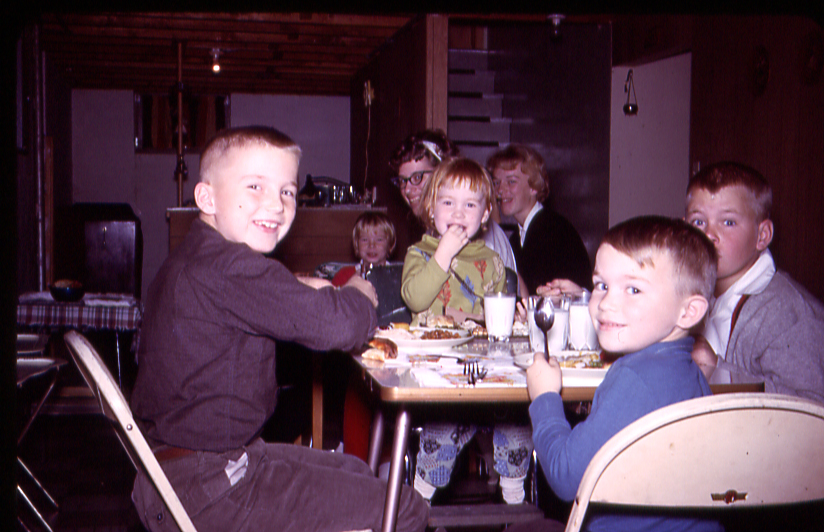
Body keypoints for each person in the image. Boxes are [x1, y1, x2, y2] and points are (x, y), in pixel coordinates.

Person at [129, 126, 428, 532]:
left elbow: (245, 295)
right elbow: (339, 326)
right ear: (207, 196)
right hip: (212, 489)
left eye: (287, 191)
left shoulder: (199, 255)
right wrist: (359, 290)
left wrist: (300, 286)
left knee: (357, 470)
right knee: (404, 506)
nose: (275, 204)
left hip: (178, 471)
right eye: (255, 186)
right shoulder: (232, 267)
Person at [525, 215, 721, 532]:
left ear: (689, 311)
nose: (606, 303)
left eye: (633, 289)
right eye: (601, 285)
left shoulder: (634, 376)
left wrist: (545, 396)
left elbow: (565, 478)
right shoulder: (688, 370)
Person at [401, 156, 533, 505]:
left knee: (519, 429)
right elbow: (416, 299)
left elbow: (497, 321)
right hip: (440, 380)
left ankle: (515, 503)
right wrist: (442, 255)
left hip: (488, 378)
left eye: (470, 204)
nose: (459, 213)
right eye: (448, 202)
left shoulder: (490, 261)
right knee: (440, 435)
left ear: (485, 213)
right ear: (431, 208)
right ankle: (419, 503)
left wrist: (516, 320)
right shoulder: (420, 252)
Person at [685, 162, 824, 401]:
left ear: (762, 236)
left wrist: (718, 368)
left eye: (728, 222)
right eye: (699, 222)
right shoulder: (693, 293)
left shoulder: (785, 312)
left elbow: (811, 410)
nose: (708, 235)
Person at [390, 129, 525, 294]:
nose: (408, 190)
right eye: (403, 181)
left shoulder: (475, 232)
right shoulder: (438, 229)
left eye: (418, 177)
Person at [487, 144, 591, 294]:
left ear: (534, 187)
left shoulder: (555, 231)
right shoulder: (517, 239)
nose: (500, 190)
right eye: (497, 182)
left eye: (511, 181)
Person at [332, 211, 396, 286]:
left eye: (379, 240)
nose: (371, 245)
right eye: (364, 240)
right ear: (356, 245)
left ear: (390, 245)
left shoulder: (399, 277)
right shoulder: (344, 276)